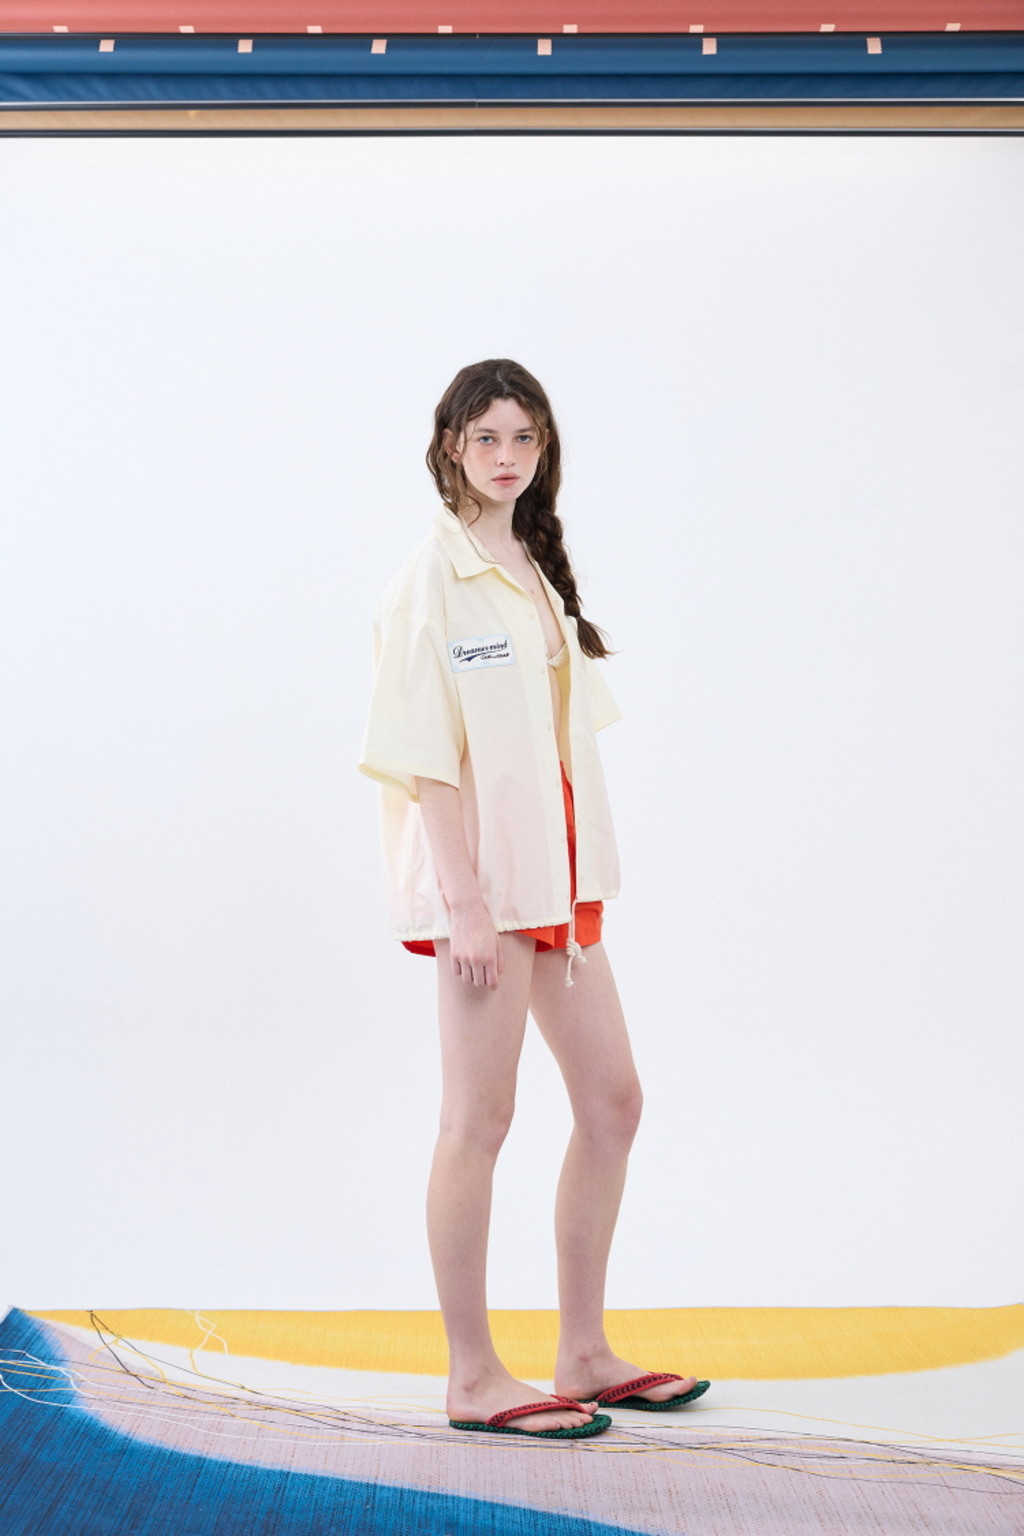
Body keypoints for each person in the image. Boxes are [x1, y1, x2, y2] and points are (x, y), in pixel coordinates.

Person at [358, 358, 708, 1440]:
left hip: (558, 881)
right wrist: (464, 905)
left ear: (542, 448)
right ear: (450, 447)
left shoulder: (532, 563)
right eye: (486, 438)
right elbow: (423, 755)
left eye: (524, 438)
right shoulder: (431, 577)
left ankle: (584, 1351)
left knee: (614, 1104)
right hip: (485, 889)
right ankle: (472, 1378)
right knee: (479, 1119)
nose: (506, 457)